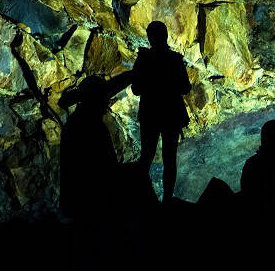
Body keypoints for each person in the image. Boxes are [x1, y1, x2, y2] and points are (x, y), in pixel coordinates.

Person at [59, 72, 132, 220]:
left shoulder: (76, 122)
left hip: (75, 205)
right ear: (97, 100)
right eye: (104, 99)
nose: (107, 103)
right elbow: (106, 167)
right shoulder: (92, 126)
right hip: (91, 206)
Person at [131, 21, 190, 203]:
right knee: (169, 159)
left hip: (150, 114)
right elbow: (186, 88)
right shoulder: (175, 59)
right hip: (171, 114)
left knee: (146, 156)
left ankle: (140, 198)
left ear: (150, 38)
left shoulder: (143, 59)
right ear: (165, 36)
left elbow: (136, 89)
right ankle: (167, 200)